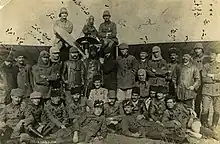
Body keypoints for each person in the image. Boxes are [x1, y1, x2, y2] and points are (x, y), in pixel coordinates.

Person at [201, 52, 220, 130]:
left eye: (213, 55)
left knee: (217, 110)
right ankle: (204, 125)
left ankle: (214, 125)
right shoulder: (205, 66)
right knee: (205, 110)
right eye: (210, 54)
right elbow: (204, 78)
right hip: (206, 91)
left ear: (216, 56)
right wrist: (216, 78)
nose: (211, 56)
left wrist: (212, 76)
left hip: (217, 91)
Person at [193, 43, 207, 118]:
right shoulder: (193, 60)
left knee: (205, 104)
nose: (197, 50)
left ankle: (204, 121)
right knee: (197, 102)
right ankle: (197, 119)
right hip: (197, 84)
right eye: (195, 49)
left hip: (205, 84)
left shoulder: (206, 59)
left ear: (202, 50)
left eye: (198, 49)